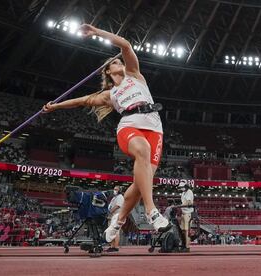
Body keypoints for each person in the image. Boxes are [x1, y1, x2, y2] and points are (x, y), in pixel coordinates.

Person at [42, 23, 171, 243]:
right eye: (114, 63)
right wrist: (55, 106)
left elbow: (125, 45)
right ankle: (151, 211)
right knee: (143, 150)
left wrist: (96, 32)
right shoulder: (109, 94)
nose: (118, 62)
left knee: (141, 184)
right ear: (108, 72)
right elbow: (81, 101)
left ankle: (117, 222)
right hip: (130, 124)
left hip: (155, 127)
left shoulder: (135, 75)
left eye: (119, 60)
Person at [106, 185, 125, 252]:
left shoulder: (120, 197)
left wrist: (109, 212)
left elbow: (117, 206)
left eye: (116, 189)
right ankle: (112, 246)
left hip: (117, 216)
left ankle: (116, 247)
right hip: (112, 216)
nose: (114, 190)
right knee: (111, 231)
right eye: (114, 189)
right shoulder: (114, 197)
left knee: (116, 232)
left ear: (120, 190)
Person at [179, 183, 194, 251]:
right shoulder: (183, 193)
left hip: (188, 213)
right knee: (182, 230)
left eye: (182, 187)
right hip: (183, 212)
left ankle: (187, 247)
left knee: (187, 230)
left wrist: (180, 206)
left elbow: (189, 202)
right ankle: (183, 244)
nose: (181, 188)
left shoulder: (189, 192)